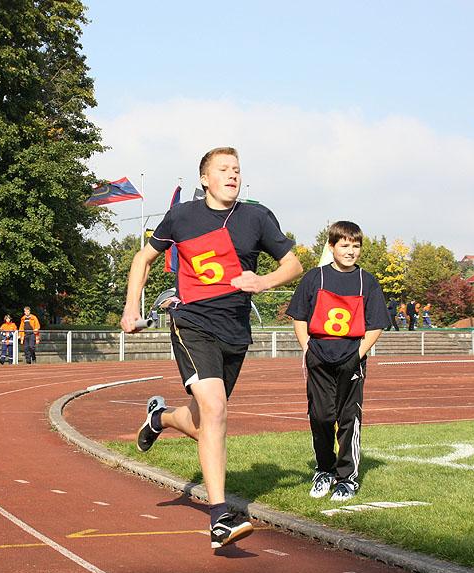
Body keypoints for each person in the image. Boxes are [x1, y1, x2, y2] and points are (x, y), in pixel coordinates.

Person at [121, 146, 303, 549]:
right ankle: (219, 516)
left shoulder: (257, 216)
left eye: (237, 170)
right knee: (218, 410)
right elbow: (143, 260)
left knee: (206, 422)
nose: (232, 175)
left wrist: (263, 281)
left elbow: (293, 265)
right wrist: (131, 306)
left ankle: (160, 418)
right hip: (193, 324)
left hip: (234, 332)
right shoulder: (183, 216)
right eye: (223, 169)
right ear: (205, 178)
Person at [286, 221, 387, 502]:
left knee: (348, 419)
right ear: (331, 247)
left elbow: (376, 324)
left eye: (355, 246)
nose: (350, 251)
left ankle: (347, 478)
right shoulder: (314, 277)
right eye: (344, 245)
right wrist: (308, 348)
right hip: (319, 355)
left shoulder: (367, 281)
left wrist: (357, 355)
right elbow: (299, 317)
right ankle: (324, 470)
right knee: (320, 416)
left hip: (351, 357)